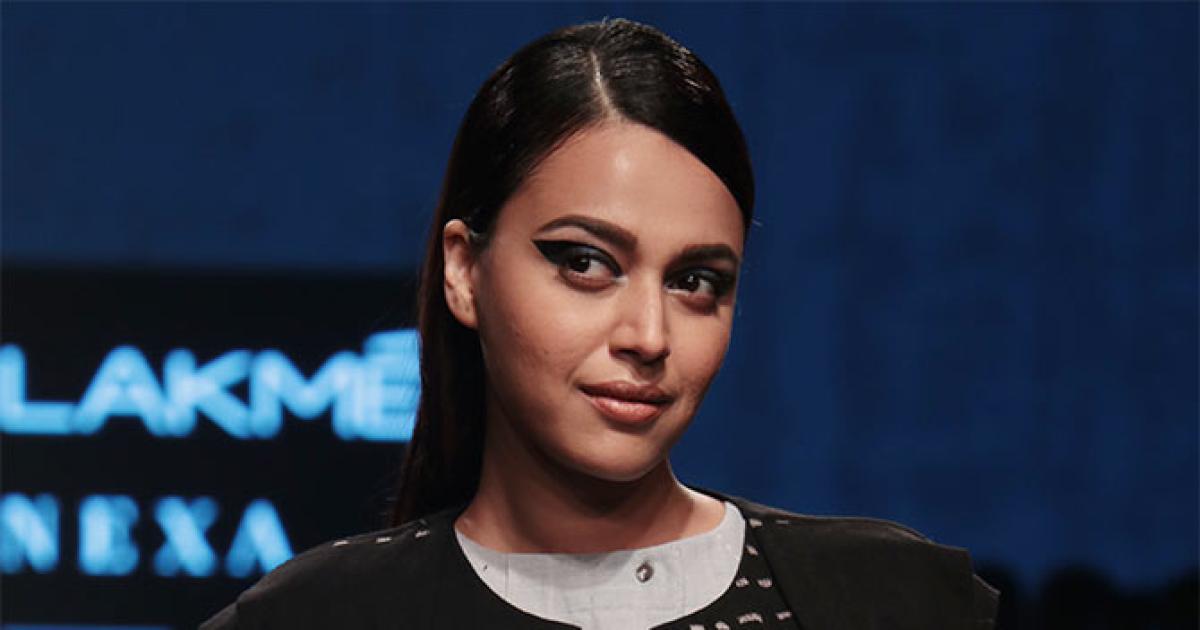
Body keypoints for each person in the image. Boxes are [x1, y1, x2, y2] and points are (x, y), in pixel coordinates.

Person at [201, 17, 998, 629]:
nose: (648, 336)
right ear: (464, 271)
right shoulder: (313, 618)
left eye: (695, 281)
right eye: (586, 263)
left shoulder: (894, 602)